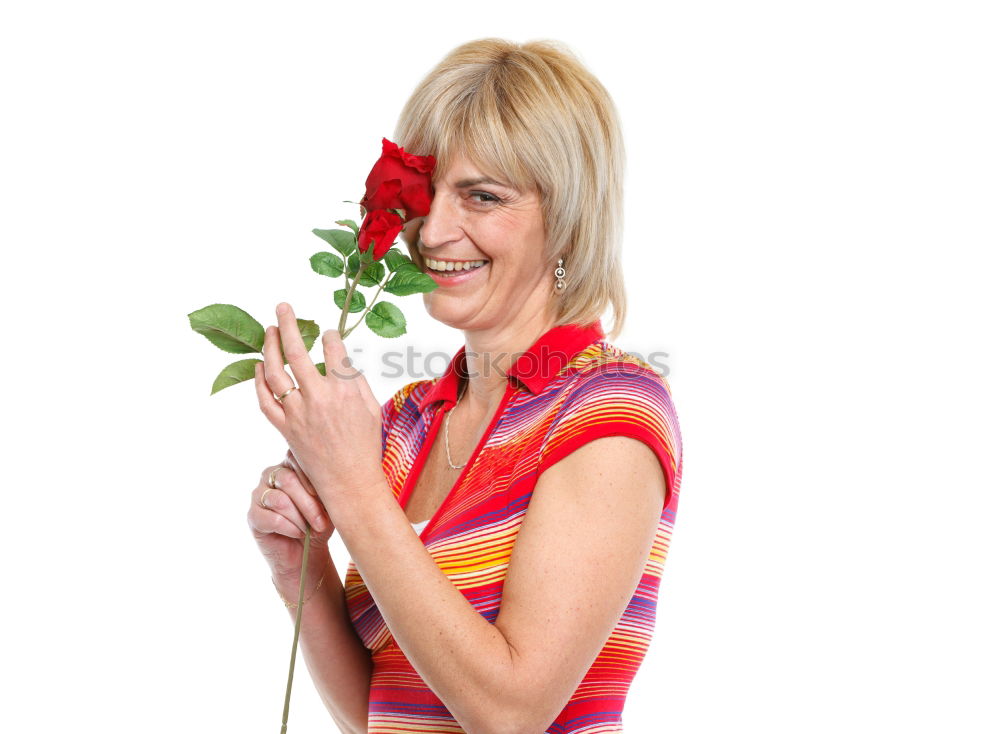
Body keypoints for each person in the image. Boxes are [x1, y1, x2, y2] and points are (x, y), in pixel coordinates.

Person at [247, 38, 684, 733]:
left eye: (481, 196)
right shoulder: (407, 420)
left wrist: (353, 488)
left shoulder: (610, 406)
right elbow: (380, 716)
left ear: (567, 222)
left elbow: (508, 712)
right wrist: (299, 569)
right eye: (429, 192)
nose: (434, 231)